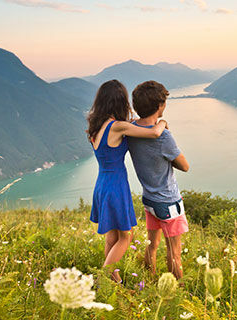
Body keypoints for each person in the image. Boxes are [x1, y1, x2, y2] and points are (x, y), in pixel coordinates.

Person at [87, 79, 168, 283]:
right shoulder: (117, 127)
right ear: (119, 101)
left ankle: (114, 281)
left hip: (102, 184)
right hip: (116, 186)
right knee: (126, 236)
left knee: (112, 236)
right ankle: (102, 280)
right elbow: (154, 132)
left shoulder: (98, 127)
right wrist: (163, 122)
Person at [128, 80, 190, 279]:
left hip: (149, 200)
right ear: (159, 106)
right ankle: (178, 294)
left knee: (151, 246)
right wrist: (163, 126)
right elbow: (185, 166)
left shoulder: (131, 130)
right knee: (174, 253)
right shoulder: (163, 137)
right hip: (168, 201)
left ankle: (148, 281)